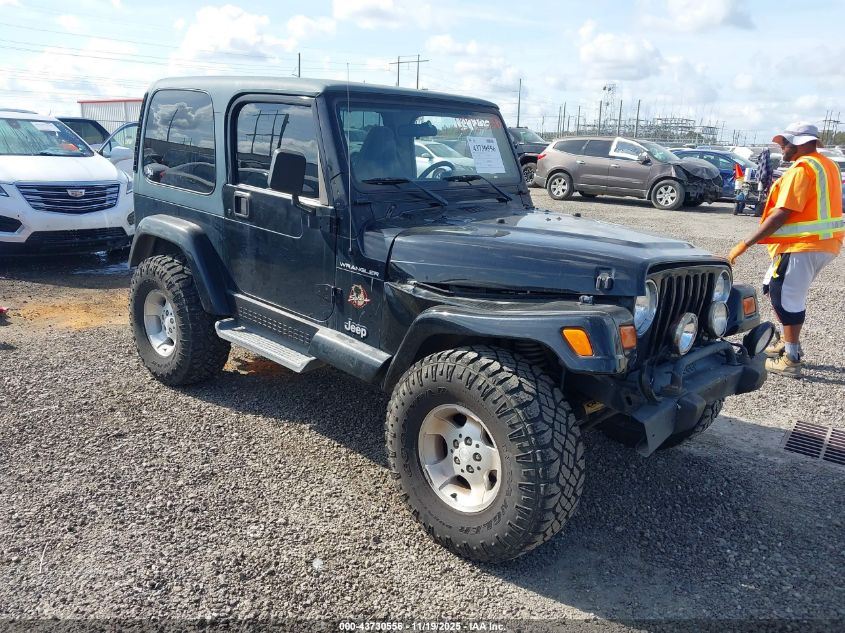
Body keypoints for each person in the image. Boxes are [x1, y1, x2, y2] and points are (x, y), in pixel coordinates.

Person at [728, 122, 843, 377]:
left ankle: (791, 357)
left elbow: (782, 213)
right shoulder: (826, 165)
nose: (782, 148)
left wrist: (744, 244)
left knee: (786, 296)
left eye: (785, 143)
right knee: (773, 286)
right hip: (819, 243)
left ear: (800, 143)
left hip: (804, 244)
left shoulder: (802, 169)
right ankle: (787, 343)